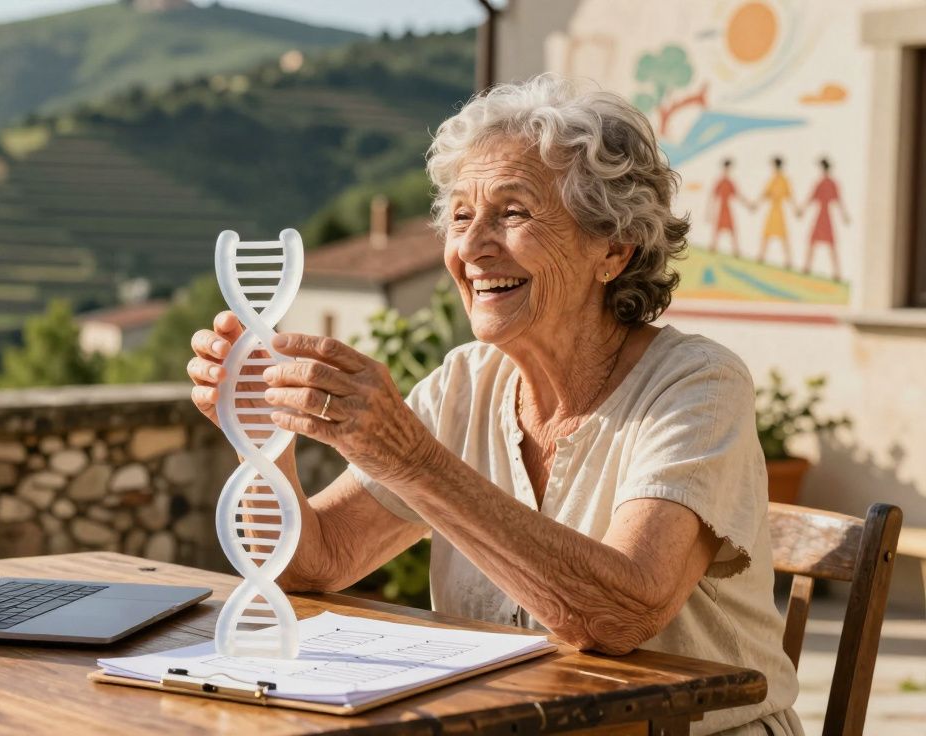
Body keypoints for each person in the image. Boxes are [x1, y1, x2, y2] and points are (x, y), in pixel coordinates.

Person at [189, 75, 800, 735]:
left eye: (512, 213)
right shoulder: (466, 382)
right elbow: (317, 559)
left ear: (613, 249)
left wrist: (411, 459)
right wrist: (260, 431)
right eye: (459, 215)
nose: (471, 248)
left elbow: (622, 616)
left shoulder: (697, 383)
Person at [800, 157, 849, 280]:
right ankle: (807, 267)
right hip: (822, 215)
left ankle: (835, 273)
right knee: (815, 242)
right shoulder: (824, 183)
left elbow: (837, 200)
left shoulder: (827, 183)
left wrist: (844, 215)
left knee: (827, 244)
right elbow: (812, 198)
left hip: (824, 216)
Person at [756, 157, 798, 269]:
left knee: (782, 236)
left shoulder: (781, 180)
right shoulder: (776, 179)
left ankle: (787, 261)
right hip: (774, 210)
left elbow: (789, 196)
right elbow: (766, 194)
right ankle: (761, 257)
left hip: (778, 211)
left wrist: (795, 209)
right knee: (767, 234)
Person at [707, 158, 748, 257]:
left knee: (732, 229)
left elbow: (737, 195)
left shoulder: (730, 182)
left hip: (727, 208)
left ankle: (735, 250)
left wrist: (748, 204)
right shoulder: (720, 181)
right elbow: (713, 196)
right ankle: (713, 246)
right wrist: (709, 211)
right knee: (717, 229)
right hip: (721, 208)